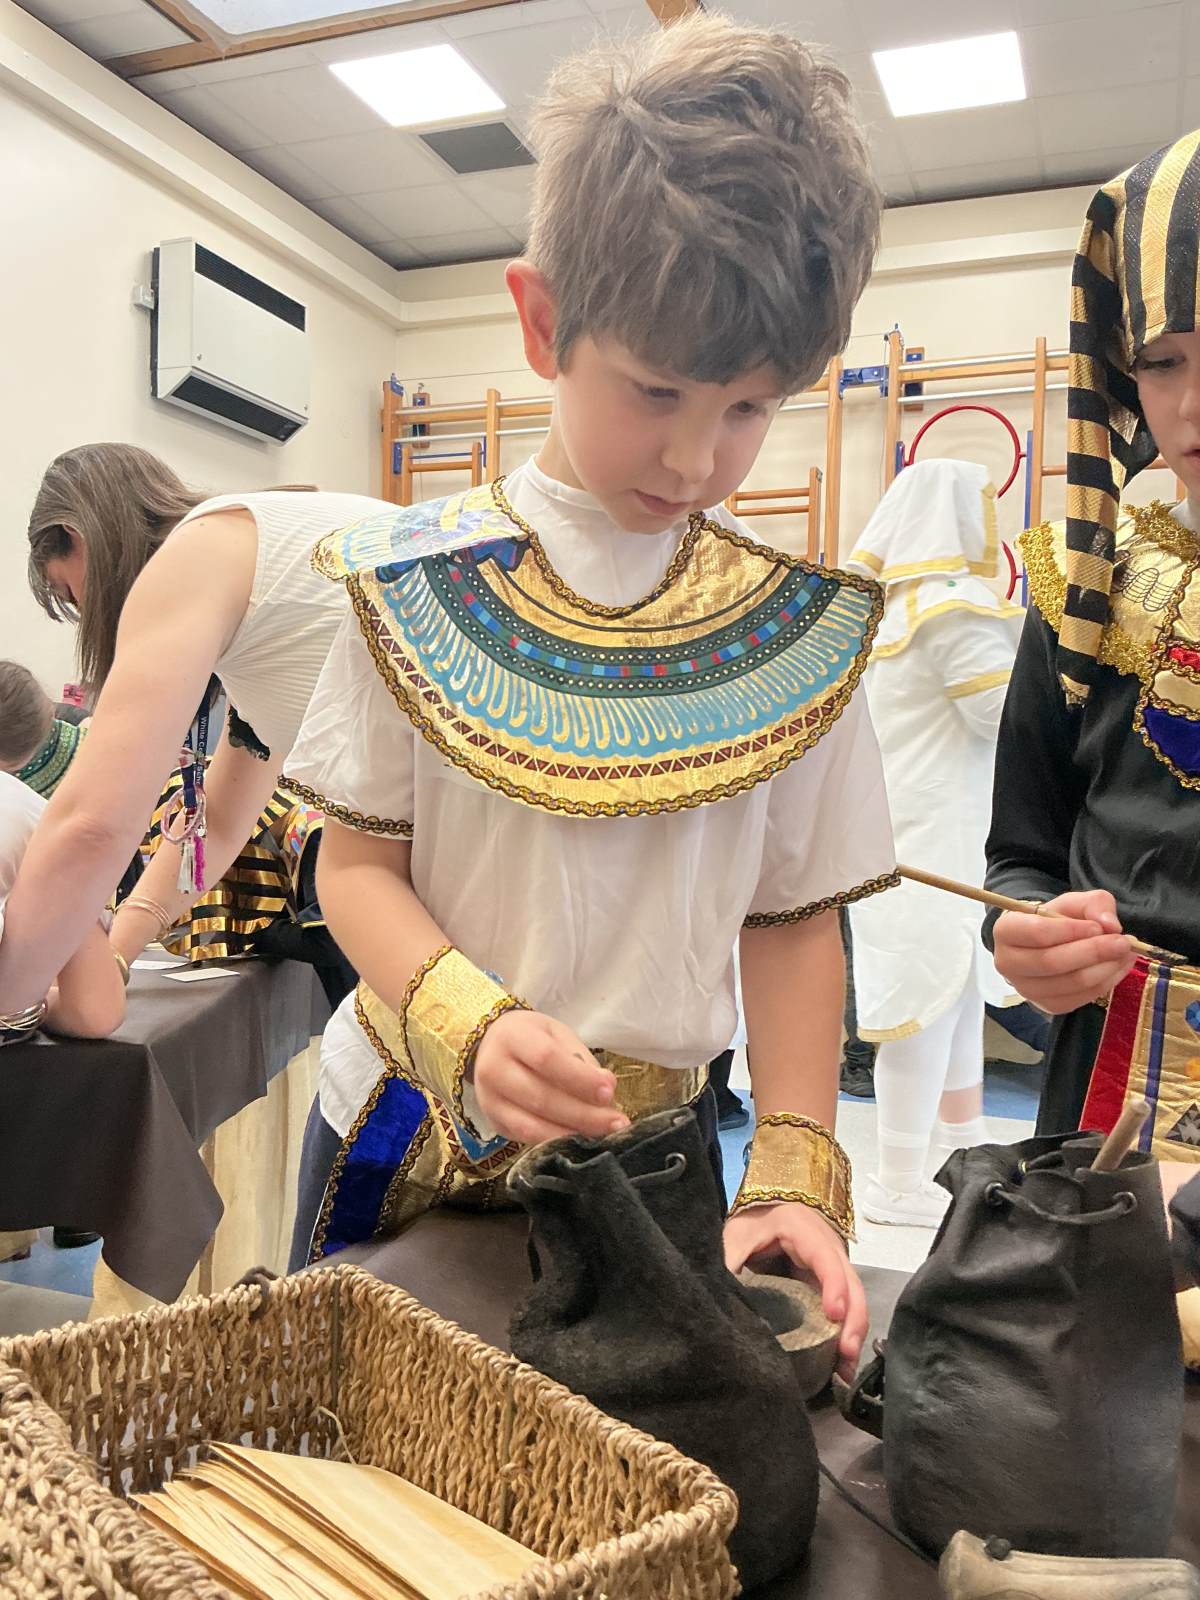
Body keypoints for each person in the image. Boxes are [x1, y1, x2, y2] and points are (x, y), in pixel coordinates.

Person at [282, 14, 894, 1380]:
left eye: (750, 409)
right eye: (656, 389)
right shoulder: (412, 583)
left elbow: (794, 921)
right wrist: (472, 1024)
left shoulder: (796, 632)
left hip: (655, 1159)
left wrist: (794, 1170)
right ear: (544, 320)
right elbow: (355, 869)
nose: (694, 458)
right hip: (402, 1131)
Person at [0, 448, 394, 1032]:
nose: (84, 613)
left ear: (76, 539)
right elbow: (221, 822)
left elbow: (92, 825)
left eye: (69, 592)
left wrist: (10, 1002)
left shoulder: (196, 556)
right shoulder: (256, 561)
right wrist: (114, 958)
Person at [986, 131, 1200, 1144]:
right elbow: (1021, 854)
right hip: (1109, 1088)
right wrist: (1024, 931)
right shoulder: (1089, 592)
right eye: (1161, 361)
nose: (1190, 406)